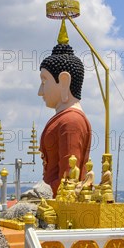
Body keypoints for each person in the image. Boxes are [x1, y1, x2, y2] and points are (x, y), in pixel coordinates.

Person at [38, 40, 92, 197]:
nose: (40, 91)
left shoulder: (71, 122)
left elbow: (67, 180)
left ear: (63, 82)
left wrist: (41, 192)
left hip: (61, 203)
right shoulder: (65, 118)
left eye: (44, 81)